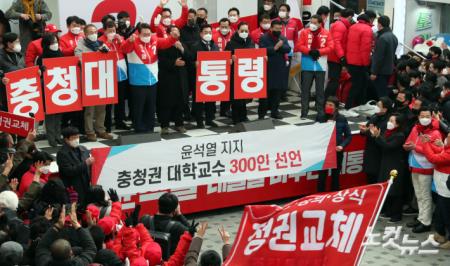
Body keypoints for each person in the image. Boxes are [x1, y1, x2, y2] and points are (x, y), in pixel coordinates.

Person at [121, 23, 178, 133]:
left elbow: (166, 43)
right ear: (139, 33)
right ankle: (139, 127)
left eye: (149, 33)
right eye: (144, 34)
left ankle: (149, 127)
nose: (147, 36)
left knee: (151, 106)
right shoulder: (133, 41)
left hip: (152, 80)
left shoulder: (154, 39)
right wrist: (129, 41)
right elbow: (124, 49)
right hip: (138, 81)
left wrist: (173, 37)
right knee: (139, 106)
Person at [403, 106, 442, 233]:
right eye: (422, 116)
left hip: (426, 166)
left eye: (427, 116)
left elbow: (437, 151)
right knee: (419, 194)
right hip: (414, 164)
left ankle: (426, 222)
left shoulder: (435, 132)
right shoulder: (415, 128)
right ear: (418, 117)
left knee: (425, 195)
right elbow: (409, 142)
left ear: (432, 117)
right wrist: (407, 146)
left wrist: (416, 147)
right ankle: (421, 217)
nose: (424, 119)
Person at [74, 24, 113, 141]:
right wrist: (97, 54)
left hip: (101, 79)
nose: (94, 34)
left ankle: (101, 129)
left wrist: (106, 52)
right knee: (90, 109)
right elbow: (80, 60)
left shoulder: (101, 44)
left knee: (102, 108)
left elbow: (110, 58)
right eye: (91, 32)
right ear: (85, 34)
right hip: (88, 81)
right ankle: (89, 131)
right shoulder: (80, 46)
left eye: (95, 32)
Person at [372, 113, 408, 223]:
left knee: (395, 190)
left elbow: (388, 146)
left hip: (395, 165)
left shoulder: (400, 136)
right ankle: (388, 211)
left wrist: (378, 136)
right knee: (387, 188)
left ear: (397, 124)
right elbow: (382, 144)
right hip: (386, 163)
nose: (389, 122)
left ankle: (396, 214)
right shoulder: (387, 132)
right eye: (389, 120)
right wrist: (377, 136)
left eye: (392, 121)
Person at [296, 15, 334, 119]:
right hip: (307, 64)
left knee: (320, 90)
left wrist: (318, 51)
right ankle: (304, 111)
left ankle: (320, 111)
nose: (312, 25)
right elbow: (299, 45)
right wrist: (309, 51)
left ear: (320, 23)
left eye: (315, 23)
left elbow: (331, 47)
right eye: (311, 22)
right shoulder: (304, 32)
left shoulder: (326, 33)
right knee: (305, 89)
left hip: (320, 65)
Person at [98, 21, 131, 131]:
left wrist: (121, 40)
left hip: (121, 71)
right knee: (108, 102)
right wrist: (108, 41)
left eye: (114, 30)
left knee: (120, 100)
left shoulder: (119, 38)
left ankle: (120, 121)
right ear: (104, 30)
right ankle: (107, 125)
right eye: (110, 31)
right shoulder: (100, 40)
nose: (112, 32)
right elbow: (101, 53)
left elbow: (126, 50)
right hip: (108, 73)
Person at [157, 26, 189, 135]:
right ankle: (164, 126)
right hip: (167, 78)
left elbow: (190, 58)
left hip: (181, 78)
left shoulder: (182, 43)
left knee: (180, 102)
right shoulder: (163, 44)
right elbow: (161, 61)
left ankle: (179, 124)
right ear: (169, 33)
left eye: (177, 31)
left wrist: (182, 50)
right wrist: (173, 63)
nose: (176, 33)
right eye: (173, 32)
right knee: (166, 102)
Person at [316, 97, 352, 192]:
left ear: (336, 107)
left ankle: (334, 196)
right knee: (322, 177)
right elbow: (314, 133)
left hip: (337, 151)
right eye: (326, 104)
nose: (327, 106)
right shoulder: (320, 117)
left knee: (335, 176)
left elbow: (348, 136)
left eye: (331, 105)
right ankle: (320, 196)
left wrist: (342, 145)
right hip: (324, 152)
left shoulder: (342, 118)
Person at [258, 20, 291, 120]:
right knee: (264, 94)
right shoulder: (264, 37)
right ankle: (262, 114)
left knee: (277, 92)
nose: (278, 30)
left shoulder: (282, 37)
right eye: (276, 29)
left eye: (280, 29)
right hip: (267, 68)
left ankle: (274, 112)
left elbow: (288, 48)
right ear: (271, 28)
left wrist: (279, 47)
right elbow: (262, 50)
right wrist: (275, 47)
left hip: (279, 68)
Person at [422, 132, 450, 249]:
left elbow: (433, 158)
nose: (446, 138)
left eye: (448, 137)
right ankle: (440, 233)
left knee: (447, 213)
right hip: (441, 186)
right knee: (440, 211)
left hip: (447, 188)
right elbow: (440, 151)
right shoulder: (446, 149)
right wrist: (429, 142)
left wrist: (425, 144)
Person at [36, 33, 65, 147]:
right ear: (46, 44)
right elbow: (37, 74)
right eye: (52, 42)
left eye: (56, 42)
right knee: (50, 114)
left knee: (59, 113)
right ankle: (51, 137)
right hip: (48, 88)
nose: (55, 44)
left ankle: (58, 136)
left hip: (60, 87)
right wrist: (41, 70)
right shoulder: (41, 57)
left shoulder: (60, 54)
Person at [226, 22, 255, 124]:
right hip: (235, 74)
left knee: (244, 97)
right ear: (237, 31)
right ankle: (236, 118)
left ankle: (244, 116)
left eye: (246, 31)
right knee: (236, 98)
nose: (244, 32)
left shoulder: (251, 42)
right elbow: (226, 58)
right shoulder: (231, 43)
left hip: (247, 73)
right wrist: (231, 58)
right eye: (242, 31)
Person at [191, 24, 219, 128]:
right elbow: (190, 61)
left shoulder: (214, 45)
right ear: (201, 33)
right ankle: (199, 120)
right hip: (199, 77)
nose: (208, 35)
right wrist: (194, 64)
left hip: (212, 76)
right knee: (198, 100)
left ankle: (209, 119)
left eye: (210, 33)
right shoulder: (195, 46)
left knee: (211, 99)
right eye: (206, 32)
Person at [56, 127, 94, 204]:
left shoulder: (83, 149)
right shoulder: (62, 154)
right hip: (73, 187)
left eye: (77, 137)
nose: (76, 140)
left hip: (86, 183)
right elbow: (69, 171)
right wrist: (85, 164)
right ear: (66, 139)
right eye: (74, 138)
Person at [360, 97, 393, 184]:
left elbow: (381, 137)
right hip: (370, 152)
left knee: (376, 180)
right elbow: (367, 129)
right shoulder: (375, 116)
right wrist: (363, 130)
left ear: (385, 109)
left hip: (379, 155)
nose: (375, 107)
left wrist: (369, 132)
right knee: (369, 177)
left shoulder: (388, 122)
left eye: (378, 106)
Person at [345, 13, 374, 109]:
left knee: (355, 84)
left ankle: (355, 104)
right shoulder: (367, 29)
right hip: (360, 63)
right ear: (368, 21)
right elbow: (365, 49)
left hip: (350, 61)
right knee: (358, 85)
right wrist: (366, 63)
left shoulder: (352, 27)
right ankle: (350, 106)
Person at [325, 8, 354, 99]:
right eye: (352, 17)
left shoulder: (339, 24)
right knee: (334, 81)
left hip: (334, 56)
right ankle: (324, 102)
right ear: (349, 17)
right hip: (335, 57)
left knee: (334, 81)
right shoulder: (340, 25)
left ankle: (328, 102)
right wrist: (342, 57)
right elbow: (336, 42)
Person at [370, 16, 398, 99]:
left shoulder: (382, 38)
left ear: (379, 24)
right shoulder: (393, 36)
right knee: (383, 91)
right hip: (388, 68)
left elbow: (379, 57)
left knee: (381, 93)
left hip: (381, 70)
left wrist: (374, 72)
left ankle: (383, 110)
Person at [0, 32, 25, 111]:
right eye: (16, 42)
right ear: (9, 43)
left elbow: (25, 68)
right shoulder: (1, 56)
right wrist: (1, 79)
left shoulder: (19, 54)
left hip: (20, 90)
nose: (19, 44)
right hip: (5, 93)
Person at [213, 18, 233, 118]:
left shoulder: (233, 36)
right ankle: (211, 110)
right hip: (217, 65)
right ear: (219, 26)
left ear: (229, 27)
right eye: (222, 27)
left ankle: (225, 109)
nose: (224, 28)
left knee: (228, 89)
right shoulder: (214, 36)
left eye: (226, 27)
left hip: (230, 65)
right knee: (215, 87)